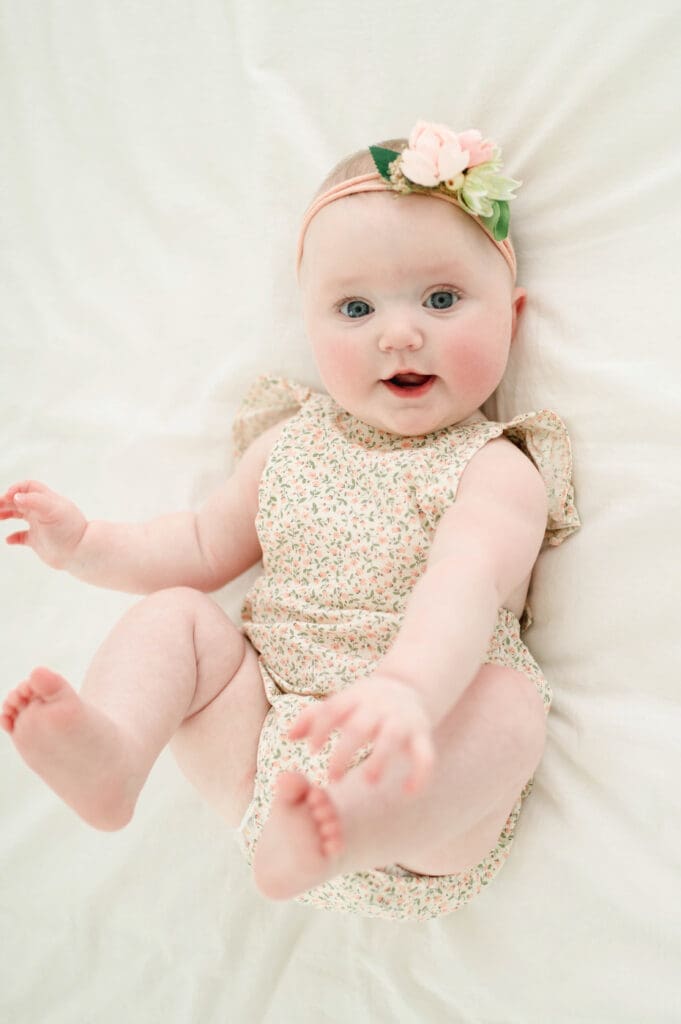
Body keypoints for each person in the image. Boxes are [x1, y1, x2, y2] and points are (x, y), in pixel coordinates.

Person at [0, 120, 580, 921]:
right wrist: (86, 546)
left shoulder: (494, 466)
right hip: (265, 755)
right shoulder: (286, 445)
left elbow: (467, 576)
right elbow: (197, 543)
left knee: (508, 708)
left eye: (442, 299)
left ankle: (354, 824)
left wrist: (408, 689)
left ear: (510, 318)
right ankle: (116, 752)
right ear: (310, 327)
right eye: (355, 307)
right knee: (175, 616)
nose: (399, 332)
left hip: (421, 783)